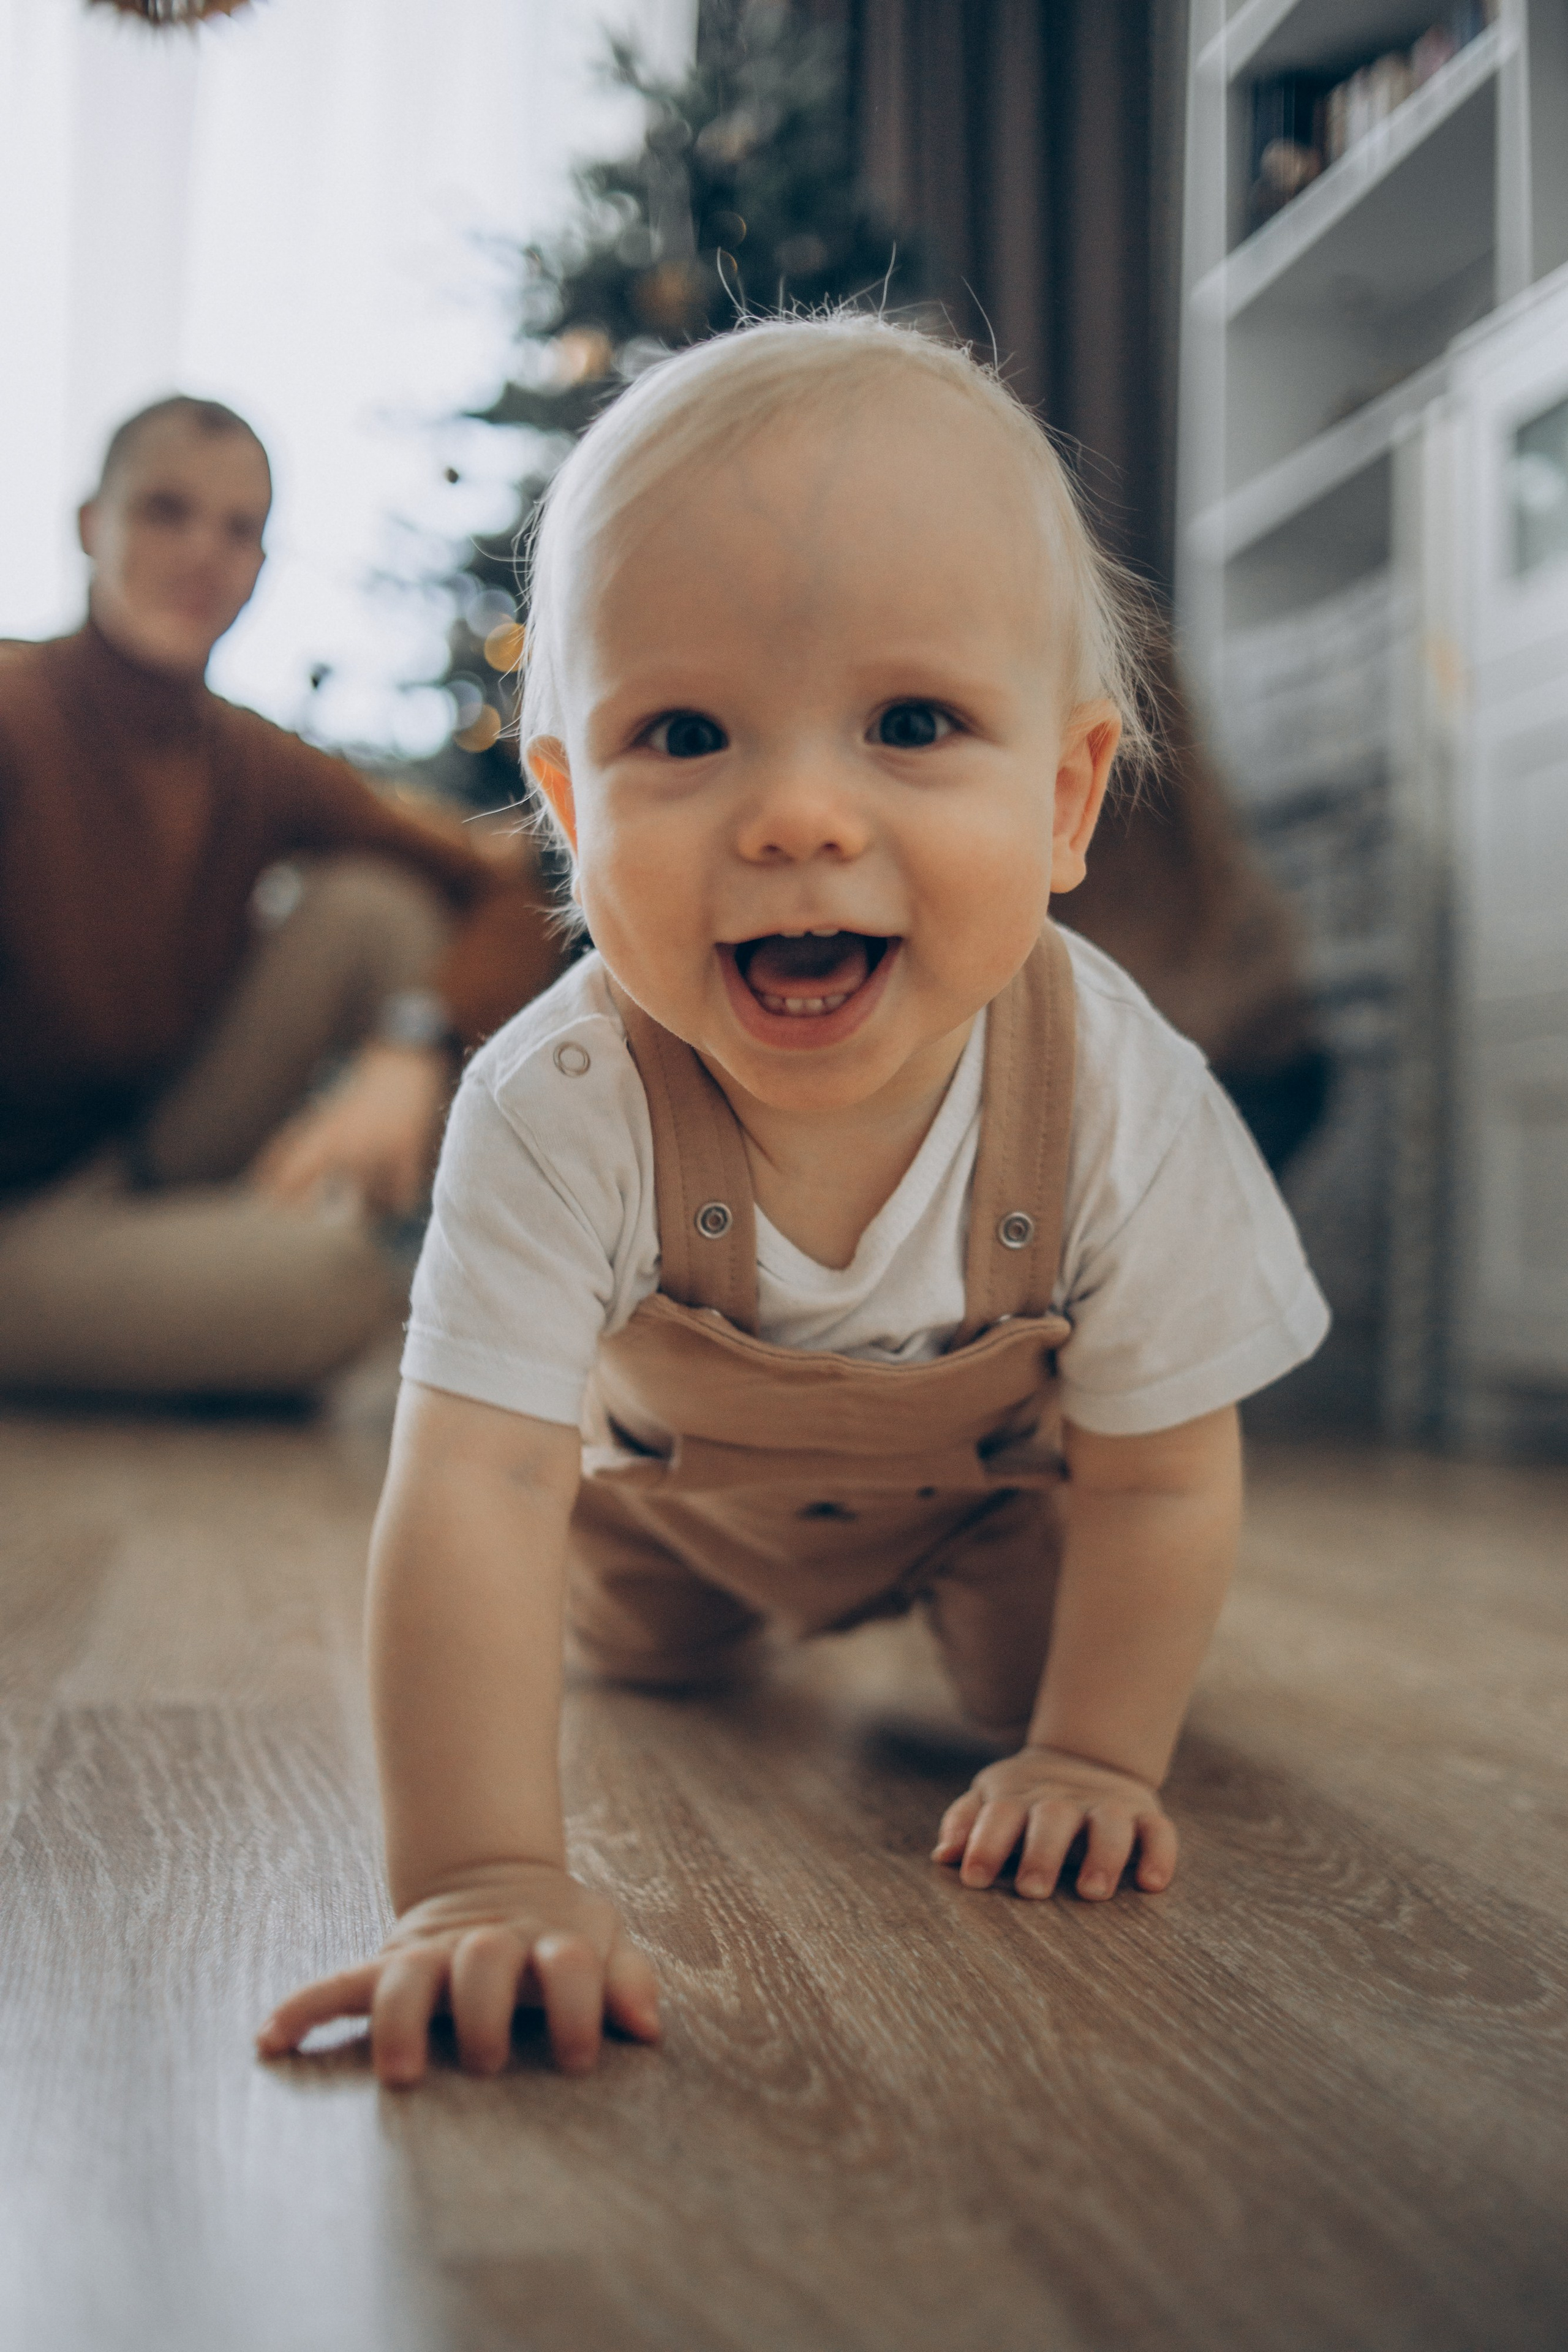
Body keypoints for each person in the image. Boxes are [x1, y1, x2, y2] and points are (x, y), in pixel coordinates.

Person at [258, 315, 1329, 2086]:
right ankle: (683, 1622)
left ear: (1067, 800)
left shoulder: (1119, 1087)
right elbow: (479, 1479)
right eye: (684, 733)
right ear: (568, 809)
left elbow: (1158, 1471)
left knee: (1051, 1685)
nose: (801, 817)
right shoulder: (558, 1097)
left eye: (913, 723)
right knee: (636, 1652)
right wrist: (477, 1879)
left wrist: (1093, 1760)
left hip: (995, 1515)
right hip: (654, 1510)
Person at [0, 395, 562, 1396]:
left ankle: (251, 1249)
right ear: (92, 525)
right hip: (24, 1215)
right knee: (336, 1284)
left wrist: (414, 1040)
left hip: (146, 1150)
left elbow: (509, 890)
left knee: (374, 907)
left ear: (263, 565)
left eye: (239, 529)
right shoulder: (16, 713)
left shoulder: (251, 760)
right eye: (165, 511)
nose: (203, 553)